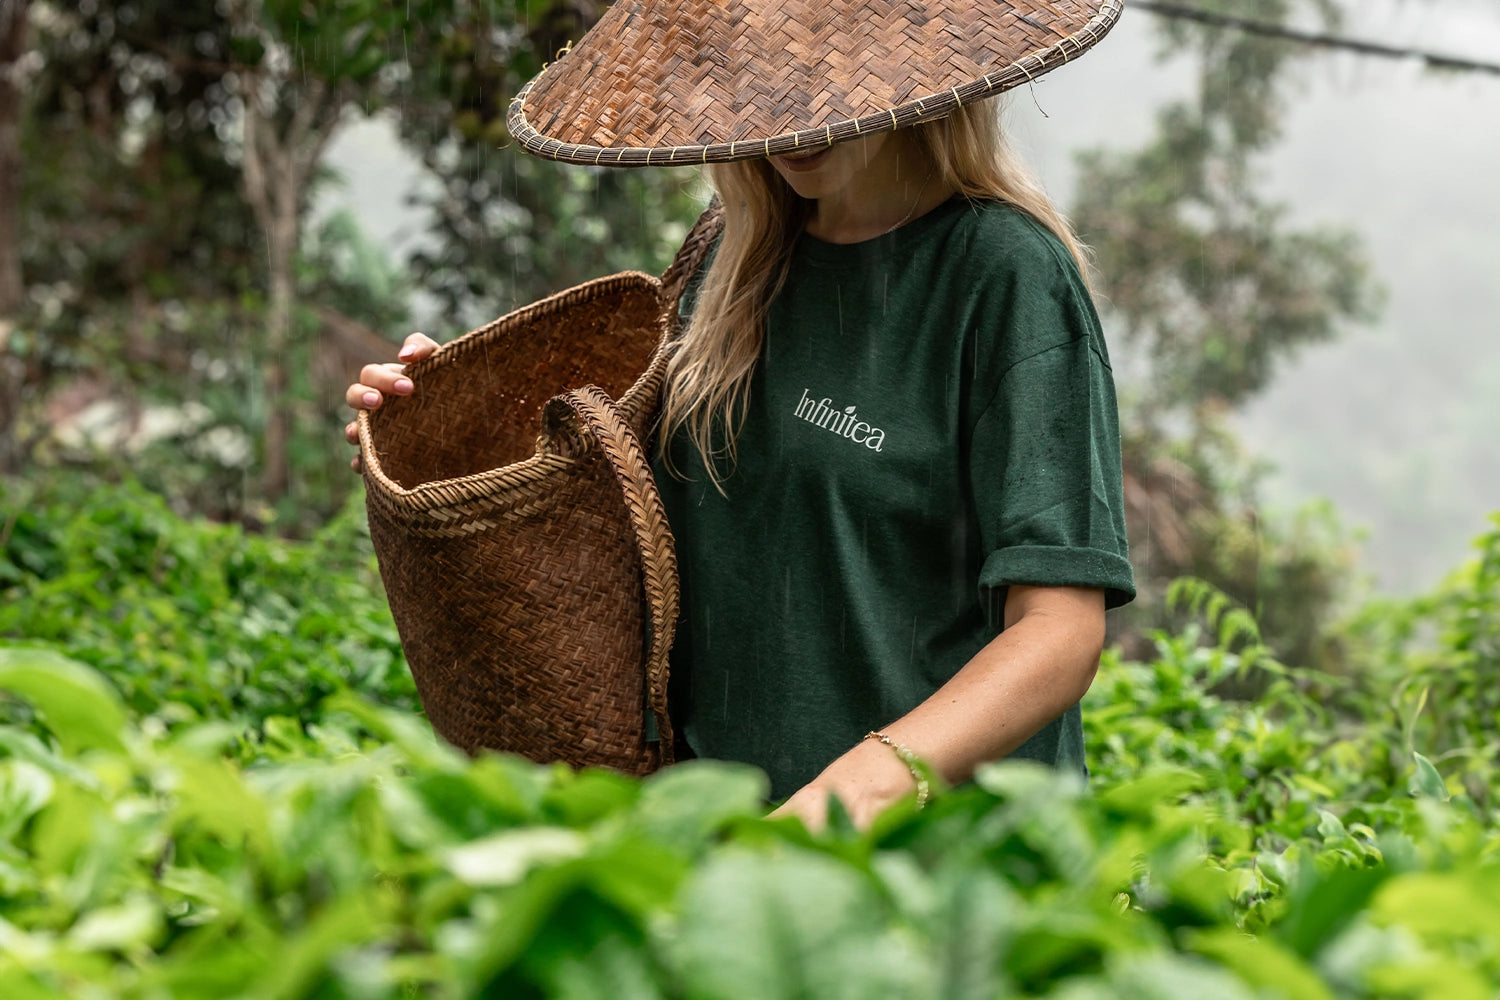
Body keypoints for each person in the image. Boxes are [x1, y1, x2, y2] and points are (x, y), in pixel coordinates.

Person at [344, 0, 1134, 832]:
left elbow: (1058, 632)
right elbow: (628, 521)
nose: (786, 115)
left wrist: (856, 791)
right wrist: (449, 434)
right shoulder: (731, 261)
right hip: (721, 845)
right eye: (756, 76)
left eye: (815, 72)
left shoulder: (1002, 277)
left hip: (934, 872)